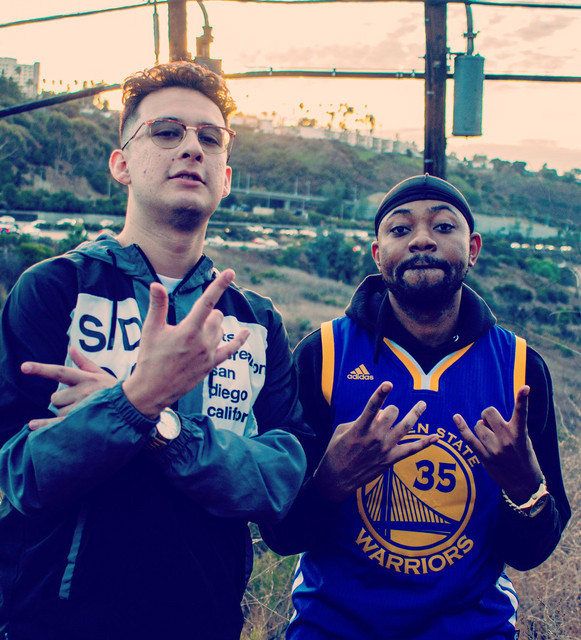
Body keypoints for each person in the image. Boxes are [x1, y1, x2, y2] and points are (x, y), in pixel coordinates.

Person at [0, 61, 311, 640]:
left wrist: (145, 418)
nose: (192, 147)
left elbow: (279, 482)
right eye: (166, 132)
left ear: (225, 177)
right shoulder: (57, 288)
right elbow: (25, 474)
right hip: (56, 623)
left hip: (204, 623)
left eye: (210, 138)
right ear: (121, 163)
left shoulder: (255, 322)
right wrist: (139, 398)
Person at [262, 174, 571, 640]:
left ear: (473, 249)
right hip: (331, 628)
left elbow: (529, 554)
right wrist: (330, 481)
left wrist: (523, 488)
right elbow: (283, 537)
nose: (422, 239)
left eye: (443, 227)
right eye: (400, 229)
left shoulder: (520, 368)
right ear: (377, 252)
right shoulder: (323, 354)